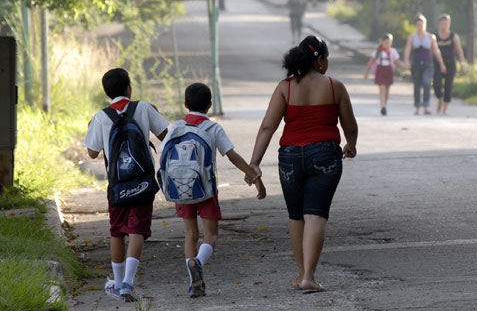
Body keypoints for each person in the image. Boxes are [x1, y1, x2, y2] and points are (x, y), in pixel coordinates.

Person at [247, 35, 358, 291]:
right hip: (324, 155)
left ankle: (300, 275)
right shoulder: (334, 86)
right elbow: (349, 126)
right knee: (315, 215)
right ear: (319, 60)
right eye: (326, 59)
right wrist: (351, 145)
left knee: (296, 216)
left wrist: (255, 162)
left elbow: (268, 127)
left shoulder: (285, 87)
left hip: (289, 158)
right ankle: (309, 275)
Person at [161, 82, 266, 298]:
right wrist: (254, 177)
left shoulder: (175, 127)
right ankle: (198, 262)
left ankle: (194, 284)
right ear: (209, 105)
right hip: (206, 190)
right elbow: (232, 155)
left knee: (190, 234)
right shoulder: (213, 128)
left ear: (185, 104)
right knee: (211, 235)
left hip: (180, 190)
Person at [85, 68, 169, 302]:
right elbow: (165, 134)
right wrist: (154, 113)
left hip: (117, 185)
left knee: (117, 231)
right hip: (143, 181)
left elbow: (92, 153)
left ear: (106, 93)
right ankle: (129, 284)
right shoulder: (143, 107)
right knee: (137, 230)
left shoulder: (101, 116)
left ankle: (118, 282)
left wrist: (93, 125)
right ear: (129, 88)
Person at [403, 13, 447, 115]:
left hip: (428, 63)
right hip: (416, 63)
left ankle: (426, 106)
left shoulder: (431, 37)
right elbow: (408, 50)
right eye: (418, 25)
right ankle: (418, 106)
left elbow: (436, 51)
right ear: (416, 26)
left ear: (425, 25)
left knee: (427, 82)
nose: (420, 27)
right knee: (417, 85)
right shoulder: (412, 37)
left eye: (422, 25)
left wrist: (442, 64)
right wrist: (406, 61)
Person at [363, 33, 406, 115]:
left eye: (389, 42)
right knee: (382, 88)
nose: (387, 44)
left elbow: (398, 62)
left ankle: (385, 105)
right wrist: (366, 72)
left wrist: (406, 67)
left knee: (387, 90)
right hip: (381, 70)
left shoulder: (393, 52)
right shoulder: (378, 51)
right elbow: (371, 62)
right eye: (386, 42)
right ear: (382, 42)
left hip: (389, 71)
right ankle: (383, 106)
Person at [434, 14, 466, 115]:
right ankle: (439, 98)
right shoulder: (435, 36)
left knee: (448, 85)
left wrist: (462, 63)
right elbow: (433, 50)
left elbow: (459, 50)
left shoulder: (454, 36)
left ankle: (445, 107)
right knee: (437, 85)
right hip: (438, 63)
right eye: (443, 23)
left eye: (446, 23)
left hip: (450, 63)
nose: (444, 25)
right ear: (439, 24)